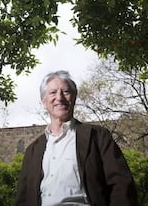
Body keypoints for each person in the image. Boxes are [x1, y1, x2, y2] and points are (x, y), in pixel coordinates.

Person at [15, 70, 139, 206]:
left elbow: (121, 183)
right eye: (52, 92)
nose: (59, 97)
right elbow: (23, 198)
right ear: (44, 101)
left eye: (66, 92)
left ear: (74, 98)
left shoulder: (97, 136)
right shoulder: (33, 150)